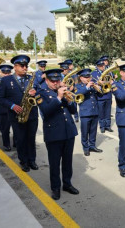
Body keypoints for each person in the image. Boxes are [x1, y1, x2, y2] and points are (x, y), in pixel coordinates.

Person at [37, 69, 79, 200]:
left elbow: (73, 111)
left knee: (68, 161)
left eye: (58, 80)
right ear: (47, 81)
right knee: (54, 163)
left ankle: (67, 183)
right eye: (53, 81)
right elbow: (46, 111)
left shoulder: (63, 91)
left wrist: (70, 99)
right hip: (54, 133)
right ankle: (55, 187)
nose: (56, 83)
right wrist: (59, 98)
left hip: (68, 132)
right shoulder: (41, 94)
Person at [0, 55, 39, 172]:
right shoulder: (5, 80)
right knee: (20, 139)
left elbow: (41, 94)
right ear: (15, 67)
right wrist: (12, 106)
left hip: (32, 115)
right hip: (16, 115)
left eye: (26, 66)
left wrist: (36, 93)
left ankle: (32, 160)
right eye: (22, 66)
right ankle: (23, 161)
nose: (25, 68)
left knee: (31, 138)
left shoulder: (32, 79)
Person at [75, 68, 102, 156]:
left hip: (94, 111)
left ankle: (92, 145)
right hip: (85, 112)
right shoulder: (78, 86)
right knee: (85, 131)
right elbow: (77, 94)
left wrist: (98, 87)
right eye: (86, 77)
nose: (88, 78)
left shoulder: (92, 85)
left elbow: (101, 94)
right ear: (81, 78)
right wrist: (87, 87)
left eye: (89, 76)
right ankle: (85, 148)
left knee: (93, 131)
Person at [0, 64, 15, 151]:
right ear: (0, 73)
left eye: (8, 72)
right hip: (3, 109)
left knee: (16, 128)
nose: (6, 74)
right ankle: (6, 144)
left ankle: (16, 143)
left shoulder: (14, 80)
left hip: (14, 109)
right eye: (4, 72)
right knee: (5, 129)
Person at [91, 56, 114, 133]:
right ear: (97, 66)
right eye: (101, 66)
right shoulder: (94, 73)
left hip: (108, 94)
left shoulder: (108, 72)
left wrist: (111, 82)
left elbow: (112, 80)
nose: (102, 67)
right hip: (100, 95)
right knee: (101, 112)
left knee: (108, 111)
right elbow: (93, 83)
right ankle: (102, 126)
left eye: (103, 65)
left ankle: (108, 126)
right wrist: (99, 83)